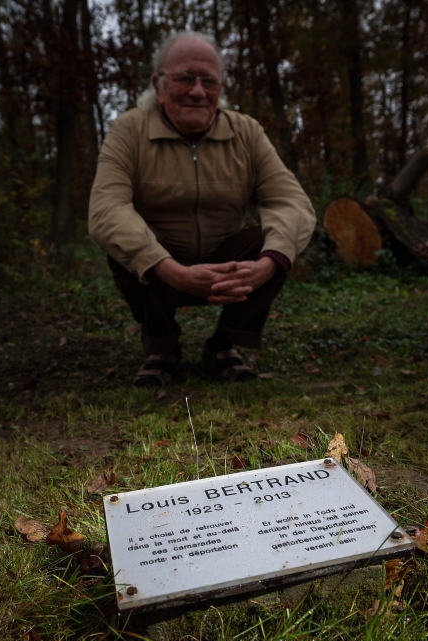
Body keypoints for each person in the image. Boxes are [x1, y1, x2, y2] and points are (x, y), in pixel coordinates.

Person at [89, 31, 315, 387]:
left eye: (208, 81)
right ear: (159, 85)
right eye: (184, 78)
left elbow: (291, 202)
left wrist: (269, 263)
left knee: (275, 241)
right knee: (128, 241)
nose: (197, 91)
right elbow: (106, 209)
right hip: (161, 266)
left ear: (220, 87)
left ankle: (224, 346)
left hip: (226, 265)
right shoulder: (129, 129)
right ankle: (162, 350)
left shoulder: (246, 132)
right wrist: (170, 269)